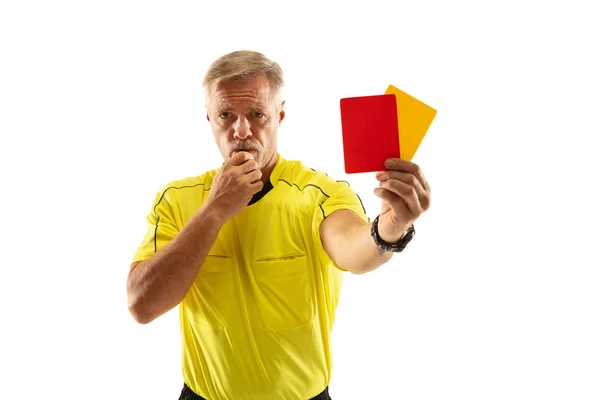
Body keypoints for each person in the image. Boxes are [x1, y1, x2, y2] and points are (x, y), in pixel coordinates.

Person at [127, 50, 432, 400]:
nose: (241, 131)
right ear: (209, 118)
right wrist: (213, 211)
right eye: (226, 115)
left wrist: (390, 227)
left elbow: (354, 251)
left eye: (256, 114)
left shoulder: (318, 193)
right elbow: (142, 305)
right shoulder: (177, 198)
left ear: (279, 115)